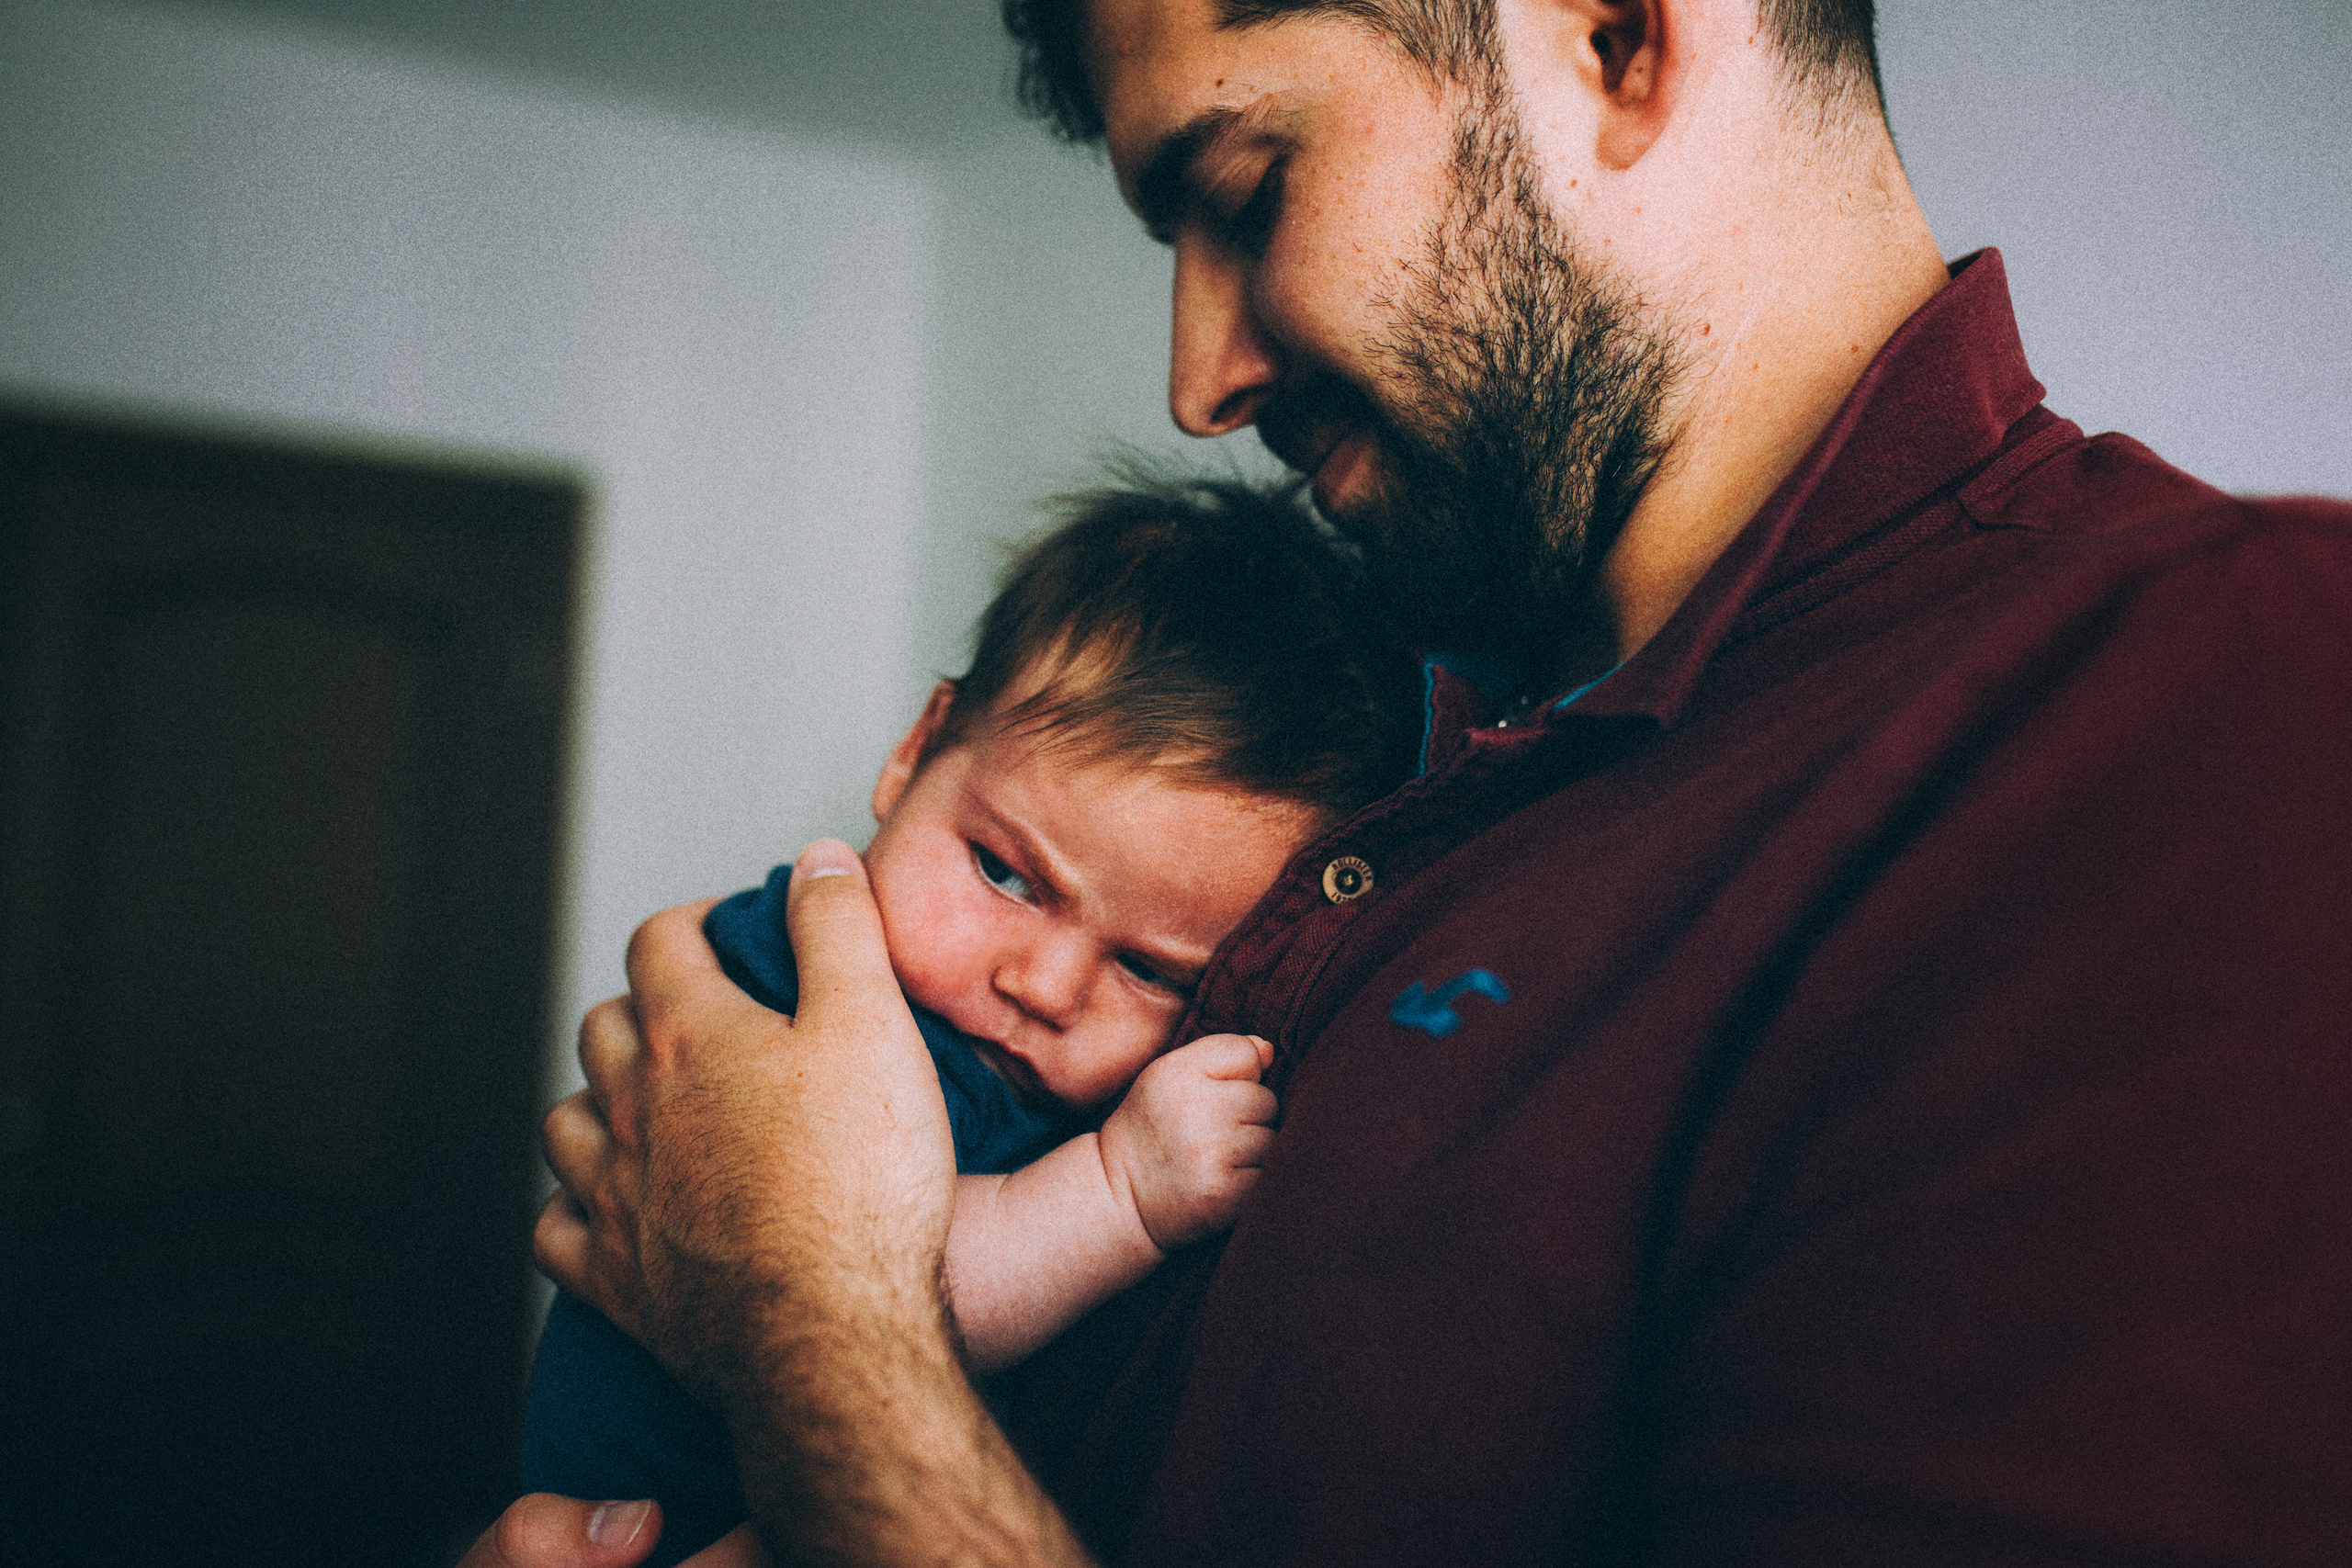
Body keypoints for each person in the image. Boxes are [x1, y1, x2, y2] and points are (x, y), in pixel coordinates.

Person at [469, 0, 2352, 1562]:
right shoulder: (1411, 741)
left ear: (1618, 37)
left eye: (1243, 188)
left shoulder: (2201, 683)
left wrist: (808, 1318)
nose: (1194, 375)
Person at [516, 476, 1424, 1566]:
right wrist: (1119, 1193)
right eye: (1004, 872)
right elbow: (870, 1279)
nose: (1044, 985)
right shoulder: (806, 987)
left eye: (1148, 968)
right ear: (917, 749)